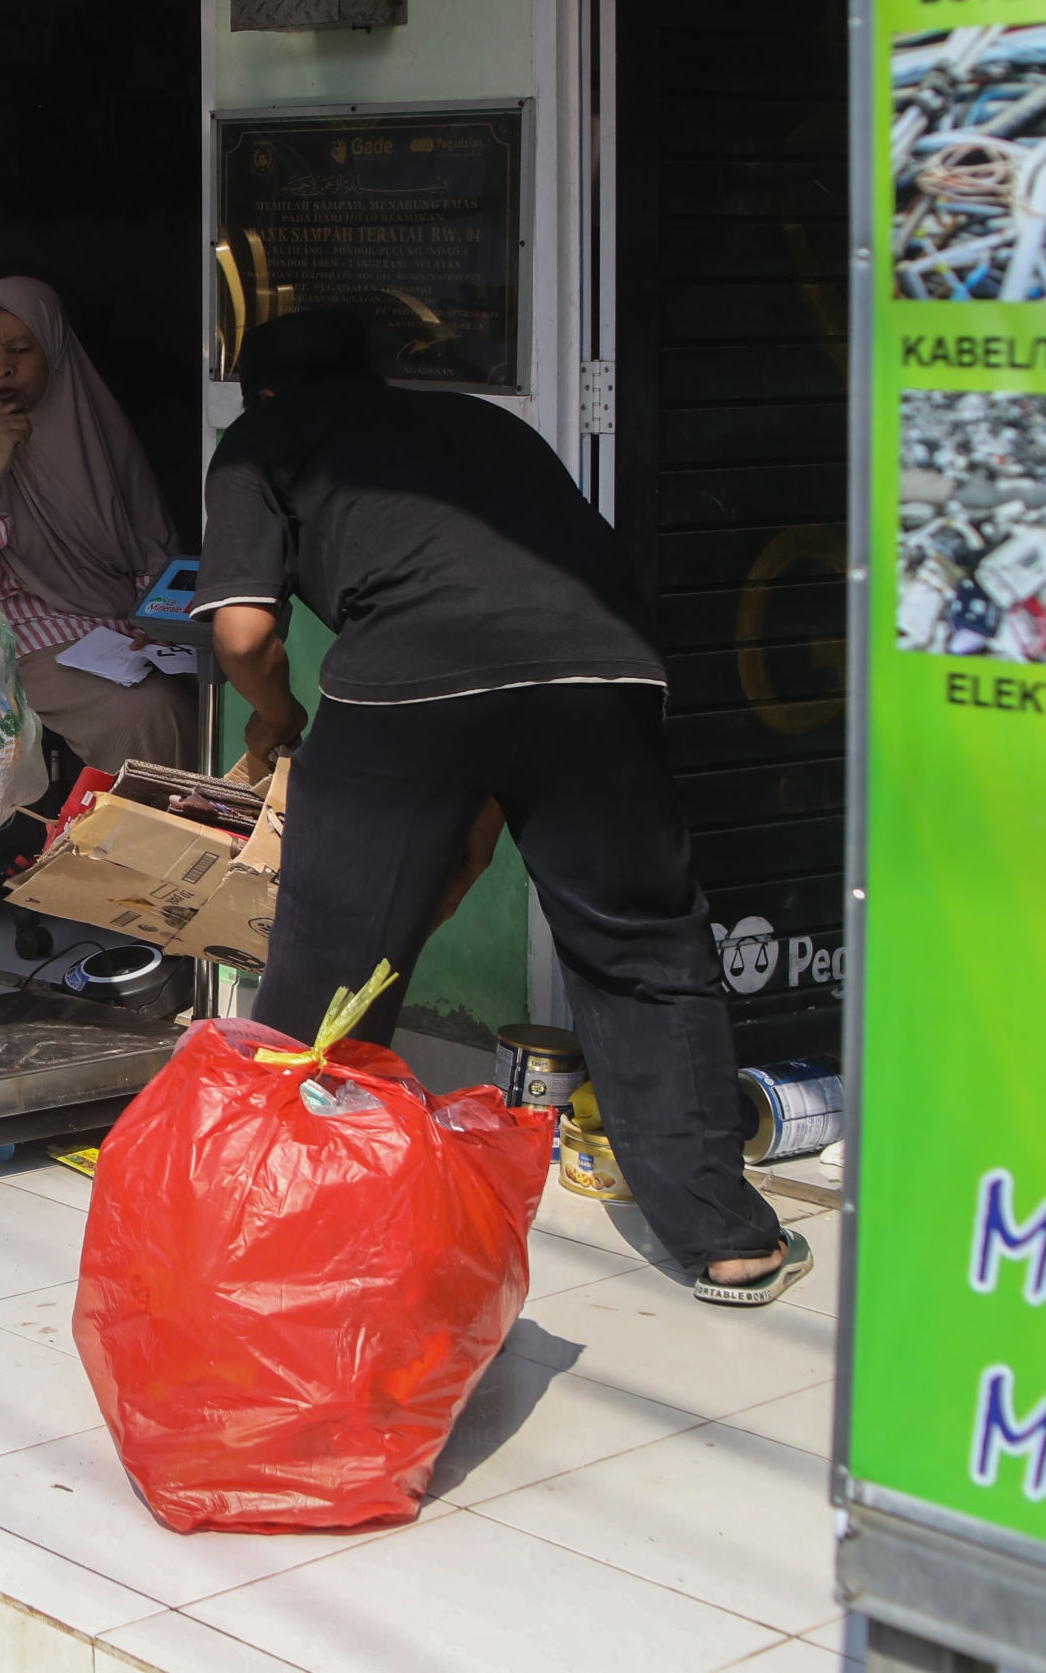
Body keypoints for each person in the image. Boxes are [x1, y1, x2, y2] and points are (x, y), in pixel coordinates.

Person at [192, 310, 808, 1308]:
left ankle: (276, 1214)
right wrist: (471, 823)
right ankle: (728, 1238)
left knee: (332, 956)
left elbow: (243, 631)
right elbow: (509, 644)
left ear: (257, 392)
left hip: (404, 677)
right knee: (644, 944)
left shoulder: (262, 437)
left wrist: (281, 713)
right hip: (600, 664)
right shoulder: (484, 427)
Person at [0, 277, 194, 773]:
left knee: (206, 688)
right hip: (15, 634)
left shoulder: (99, 432)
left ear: (54, 351)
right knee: (147, 712)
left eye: (19, 350)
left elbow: (152, 549)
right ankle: (146, 847)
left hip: (119, 626)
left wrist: (155, 623)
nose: (3, 367)